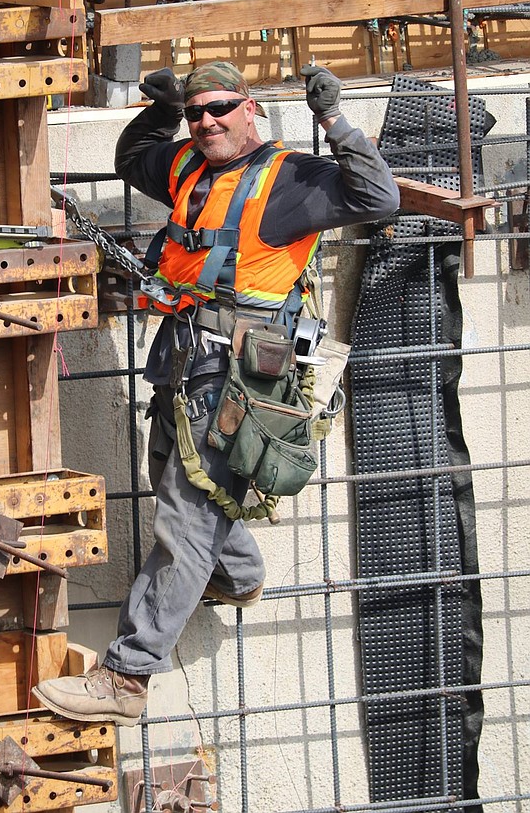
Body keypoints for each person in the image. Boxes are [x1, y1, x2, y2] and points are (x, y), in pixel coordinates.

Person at [33, 61, 400, 727]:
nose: (206, 122)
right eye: (197, 111)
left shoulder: (288, 176)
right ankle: (235, 574)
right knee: (168, 478)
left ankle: (127, 675)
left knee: (185, 517)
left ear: (250, 107)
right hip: (183, 355)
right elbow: (133, 158)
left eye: (218, 108)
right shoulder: (189, 165)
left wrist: (334, 120)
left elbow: (378, 199)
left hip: (238, 373)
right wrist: (161, 110)